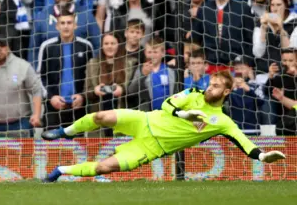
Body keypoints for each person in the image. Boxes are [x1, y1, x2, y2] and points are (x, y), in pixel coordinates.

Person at [41, 71, 287, 182]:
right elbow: (168, 103)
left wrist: (264, 156)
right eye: (210, 83)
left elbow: (244, 142)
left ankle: (60, 171)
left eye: (216, 86)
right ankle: (65, 132)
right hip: (146, 120)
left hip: (152, 147)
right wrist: (186, 114)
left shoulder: (222, 122)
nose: (210, 87)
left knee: (106, 167)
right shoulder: (193, 93)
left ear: (226, 91)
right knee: (100, 117)